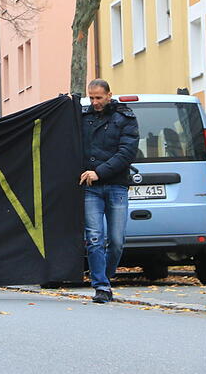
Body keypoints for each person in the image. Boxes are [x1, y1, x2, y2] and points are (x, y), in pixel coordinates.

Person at [81, 79, 139, 304]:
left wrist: (99, 172)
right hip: (90, 188)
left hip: (116, 184)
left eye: (99, 97)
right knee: (94, 238)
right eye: (91, 97)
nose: (95, 102)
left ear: (109, 95)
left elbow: (127, 153)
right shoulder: (82, 118)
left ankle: (105, 275)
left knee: (116, 240)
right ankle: (101, 286)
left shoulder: (125, 118)